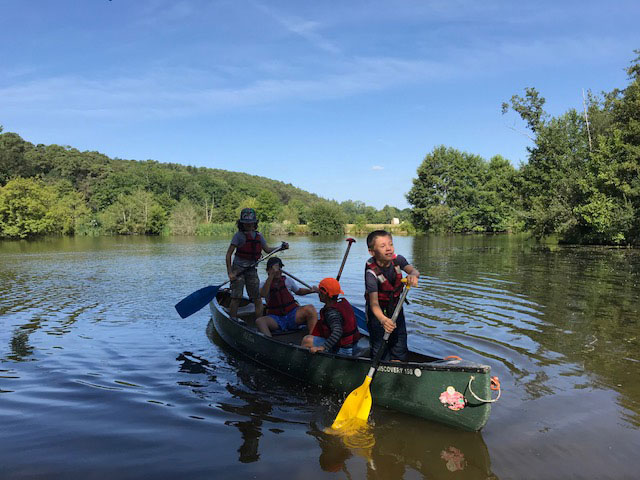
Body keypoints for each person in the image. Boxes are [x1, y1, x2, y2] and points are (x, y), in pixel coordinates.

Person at [364, 230, 419, 362]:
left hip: (396, 307)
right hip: (378, 314)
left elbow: (414, 270)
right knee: (379, 345)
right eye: (382, 246)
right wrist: (383, 320)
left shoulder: (398, 260)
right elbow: (374, 304)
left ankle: (398, 366)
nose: (388, 248)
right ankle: (381, 367)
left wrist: (413, 275)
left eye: (390, 244)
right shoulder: (371, 273)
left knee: (399, 340)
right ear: (372, 252)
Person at [226, 208, 287, 320]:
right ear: (242, 224)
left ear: (255, 223)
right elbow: (228, 255)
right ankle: (233, 321)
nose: (249, 225)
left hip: (251, 270)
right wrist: (230, 273)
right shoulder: (238, 236)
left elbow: (268, 250)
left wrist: (280, 248)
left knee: (257, 298)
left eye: (251, 223)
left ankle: (259, 322)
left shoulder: (259, 236)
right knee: (236, 297)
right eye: (246, 223)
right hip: (238, 270)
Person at [255, 257, 318, 337]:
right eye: (274, 268)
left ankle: (312, 339)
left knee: (310, 309)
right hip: (275, 318)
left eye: (279, 268)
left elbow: (299, 291)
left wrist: (310, 290)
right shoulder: (264, 284)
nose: (277, 271)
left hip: (292, 314)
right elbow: (263, 294)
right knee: (260, 321)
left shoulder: (287, 280)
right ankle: (269, 342)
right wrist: (271, 275)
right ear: (268, 270)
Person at [301, 278, 360, 356]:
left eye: (320, 292)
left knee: (307, 340)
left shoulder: (331, 313)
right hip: (353, 345)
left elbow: (337, 332)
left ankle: (305, 362)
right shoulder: (341, 303)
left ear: (324, 295)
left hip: (344, 350)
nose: (319, 294)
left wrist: (323, 347)